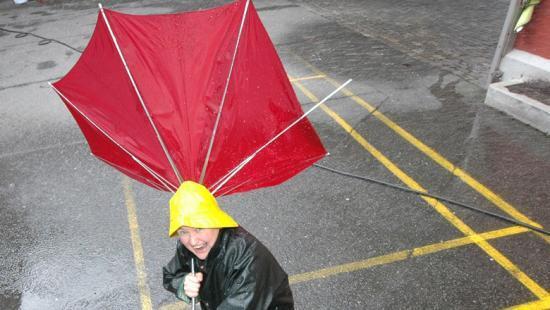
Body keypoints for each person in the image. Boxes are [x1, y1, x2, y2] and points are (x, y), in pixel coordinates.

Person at [163, 181, 294, 310]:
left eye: (199, 228)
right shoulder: (189, 246)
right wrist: (184, 284)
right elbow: (170, 275)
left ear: (216, 222)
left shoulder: (249, 258)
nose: (193, 241)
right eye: (183, 231)